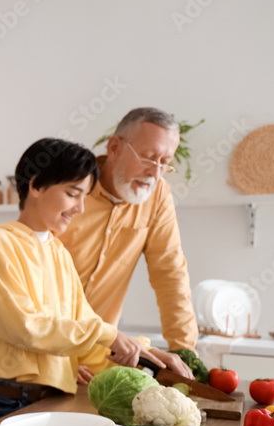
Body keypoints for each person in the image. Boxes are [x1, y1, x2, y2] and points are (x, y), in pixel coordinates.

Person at [0, 139, 184, 426]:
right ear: (35, 186)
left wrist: (144, 352)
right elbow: (22, 326)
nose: (81, 207)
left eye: (85, 196)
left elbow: (85, 329)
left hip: (55, 400)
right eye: (73, 194)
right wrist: (107, 334)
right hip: (6, 402)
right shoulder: (0, 242)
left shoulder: (59, 252)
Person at [57, 107, 197, 375]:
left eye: (165, 162)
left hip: (96, 364)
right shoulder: (69, 190)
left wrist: (184, 353)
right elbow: (35, 282)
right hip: (45, 358)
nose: (155, 173)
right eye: (147, 157)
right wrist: (52, 360)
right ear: (114, 147)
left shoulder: (157, 196)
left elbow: (170, 273)